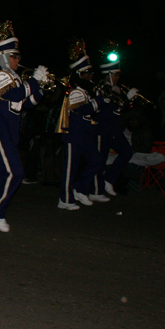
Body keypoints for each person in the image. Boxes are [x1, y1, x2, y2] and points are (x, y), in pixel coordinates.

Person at [0, 21, 46, 231]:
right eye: (14, 56)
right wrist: (33, 82)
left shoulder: (14, 77)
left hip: (10, 133)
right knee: (16, 173)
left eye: (18, 56)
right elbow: (14, 94)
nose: (18, 59)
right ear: (4, 56)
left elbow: (25, 103)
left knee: (0, 175)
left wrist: (40, 87)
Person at [58, 38, 112, 210]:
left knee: (96, 161)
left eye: (91, 72)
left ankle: (80, 189)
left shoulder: (86, 91)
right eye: (87, 72)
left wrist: (103, 97)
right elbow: (84, 110)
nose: (91, 76)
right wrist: (101, 100)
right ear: (79, 74)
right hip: (74, 134)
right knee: (70, 168)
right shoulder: (75, 91)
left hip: (85, 134)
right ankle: (64, 199)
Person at [90, 48, 135, 199]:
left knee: (127, 152)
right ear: (109, 74)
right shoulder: (102, 88)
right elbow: (105, 108)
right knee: (100, 160)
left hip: (114, 128)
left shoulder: (116, 88)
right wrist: (126, 100)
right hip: (102, 128)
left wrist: (128, 102)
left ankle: (108, 179)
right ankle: (95, 191)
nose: (118, 77)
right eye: (116, 74)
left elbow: (119, 110)